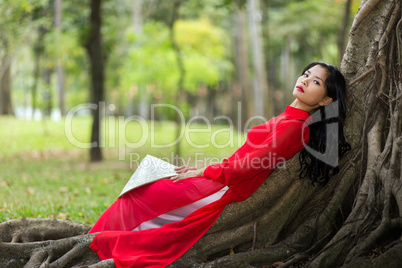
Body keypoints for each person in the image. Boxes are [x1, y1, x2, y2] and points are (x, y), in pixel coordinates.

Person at [88, 62, 351, 268]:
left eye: (315, 81)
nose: (304, 80)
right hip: (221, 178)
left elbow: (248, 167)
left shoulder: (295, 128)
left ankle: (100, 241)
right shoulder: (286, 117)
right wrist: (204, 167)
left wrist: (203, 171)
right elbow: (243, 156)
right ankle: (98, 238)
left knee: (143, 193)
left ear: (325, 101)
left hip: (227, 187)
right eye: (306, 73)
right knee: (145, 189)